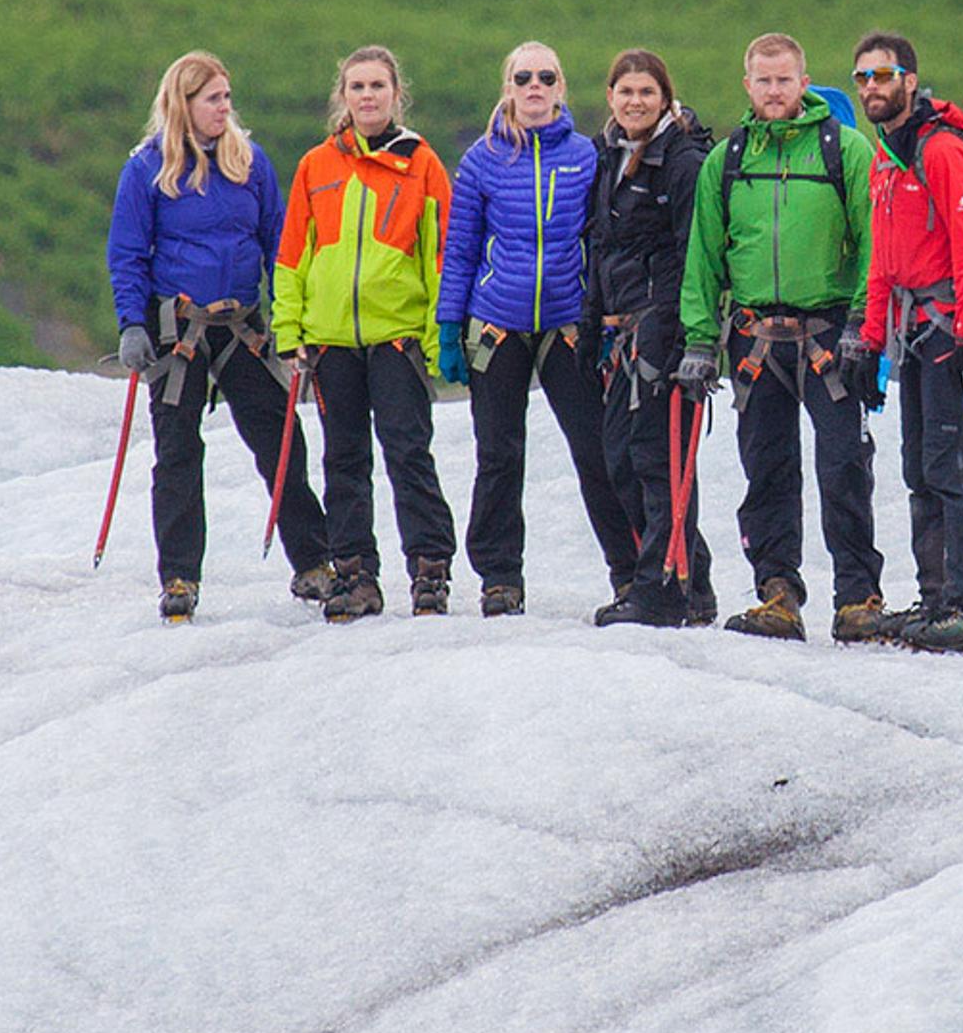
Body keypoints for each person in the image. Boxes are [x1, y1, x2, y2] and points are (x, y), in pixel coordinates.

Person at [106, 50, 328, 622]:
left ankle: (313, 563)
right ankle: (179, 577)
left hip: (242, 328)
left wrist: (290, 321)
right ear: (183, 104)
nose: (224, 108)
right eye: (213, 99)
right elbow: (128, 254)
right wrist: (132, 323)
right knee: (177, 453)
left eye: (227, 97)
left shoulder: (250, 164)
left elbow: (281, 246)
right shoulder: (147, 169)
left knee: (282, 442)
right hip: (177, 332)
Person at [677, 33, 883, 642]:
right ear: (748, 85)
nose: (773, 90)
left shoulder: (846, 151)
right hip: (753, 338)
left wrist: (862, 324)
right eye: (763, 81)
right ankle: (778, 593)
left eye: (784, 80)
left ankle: (858, 598)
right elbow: (703, 257)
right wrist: (698, 340)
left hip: (830, 337)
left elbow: (875, 245)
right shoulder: (727, 159)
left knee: (844, 465)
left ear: (803, 81)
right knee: (766, 467)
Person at [438, 40, 639, 616]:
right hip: (496, 323)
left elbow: (602, 244)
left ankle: (628, 573)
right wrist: (451, 328)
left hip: (567, 326)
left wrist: (604, 321)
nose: (533, 86)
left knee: (597, 451)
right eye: (522, 77)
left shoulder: (586, 155)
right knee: (498, 454)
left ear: (560, 88)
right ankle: (500, 577)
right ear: (508, 87)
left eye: (545, 77)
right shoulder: (481, 159)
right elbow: (460, 250)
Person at [272, 45, 458, 621]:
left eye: (378, 86)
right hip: (330, 341)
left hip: (396, 336)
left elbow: (440, 256)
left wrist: (434, 339)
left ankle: (430, 572)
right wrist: (289, 331)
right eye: (357, 87)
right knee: (343, 458)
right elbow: (291, 255)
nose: (368, 96)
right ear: (343, 97)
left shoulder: (422, 163)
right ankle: (354, 575)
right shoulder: (315, 166)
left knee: (408, 453)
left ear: (396, 95)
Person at [853, 30, 963, 653]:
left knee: (953, 469)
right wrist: (869, 343)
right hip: (912, 335)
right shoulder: (890, 155)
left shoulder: (940, 151)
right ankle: (938, 598)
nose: (871, 89)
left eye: (882, 76)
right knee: (920, 467)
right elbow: (883, 262)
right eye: (862, 78)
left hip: (947, 334)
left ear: (910, 81)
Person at [582, 48, 717, 628]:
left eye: (646, 92)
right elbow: (601, 247)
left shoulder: (682, 161)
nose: (635, 101)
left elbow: (694, 254)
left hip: (661, 333)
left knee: (656, 464)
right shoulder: (606, 156)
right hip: (619, 334)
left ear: (664, 98)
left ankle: (660, 592)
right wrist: (592, 327)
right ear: (610, 97)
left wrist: (688, 340)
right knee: (621, 461)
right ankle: (693, 585)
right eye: (625, 91)